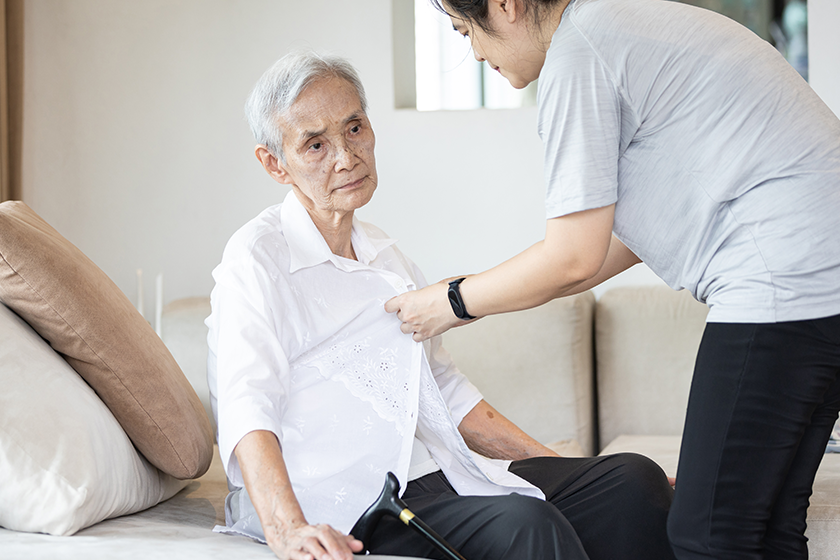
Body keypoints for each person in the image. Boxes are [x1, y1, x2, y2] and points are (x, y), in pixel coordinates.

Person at [384, 0, 840, 558]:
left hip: (780, 281)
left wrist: (453, 302)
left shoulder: (581, 53)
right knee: (767, 527)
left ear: (505, 5)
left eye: (464, 30)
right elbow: (605, 247)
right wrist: (475, 288)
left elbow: (572, 257)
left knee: (706, 534)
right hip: (822, 289)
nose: (474, 53)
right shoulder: (618, 25)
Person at [206, 50, 676, 560]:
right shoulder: (258, 257)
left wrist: (566, 471)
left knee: (632, 481)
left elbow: (444, 391)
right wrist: (286, 527)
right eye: (315, 145)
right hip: (351, 500)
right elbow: (245, 404)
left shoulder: (387, 256)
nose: (345, 156)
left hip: (437, 473)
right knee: (526, 525)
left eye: (354, 129)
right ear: (275, 163)